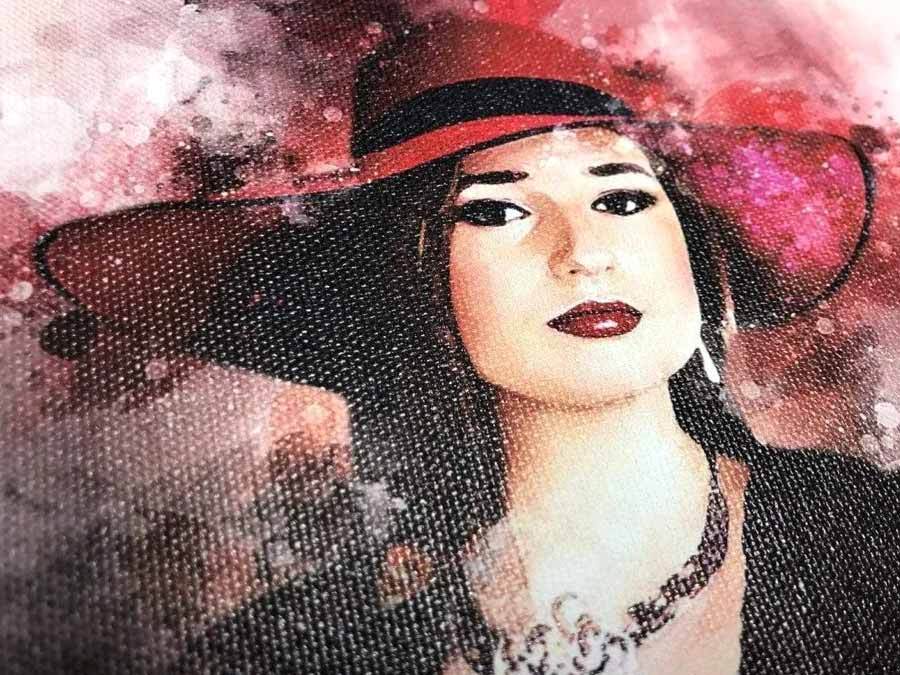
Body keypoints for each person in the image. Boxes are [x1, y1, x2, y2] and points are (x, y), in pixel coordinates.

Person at [35, 14, 900, 675]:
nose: (584, 251)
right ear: (405, 278)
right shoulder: (295, 645)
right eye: (495, 210)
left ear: (694, 246)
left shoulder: (867, 537)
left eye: (623, 198)